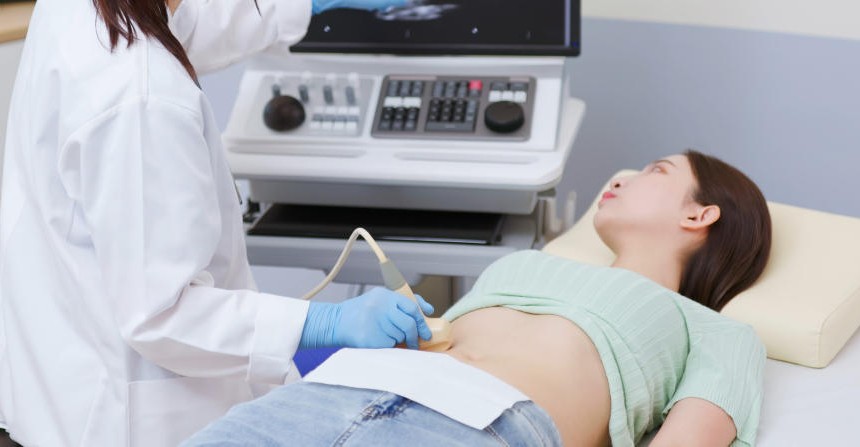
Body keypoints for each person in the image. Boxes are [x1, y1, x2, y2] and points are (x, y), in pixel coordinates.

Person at [0, 0, 435, 447]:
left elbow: (193, 22)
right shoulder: (143, 101)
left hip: (48, 363)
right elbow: (164, 314)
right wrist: (321, 324)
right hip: (111, 415)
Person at [185, 151, 774, 447]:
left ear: (700, 213)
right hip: (327, 393)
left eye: (654, 170)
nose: (619, 177)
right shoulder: (532, 263)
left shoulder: (712, 328)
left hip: (481, 426)